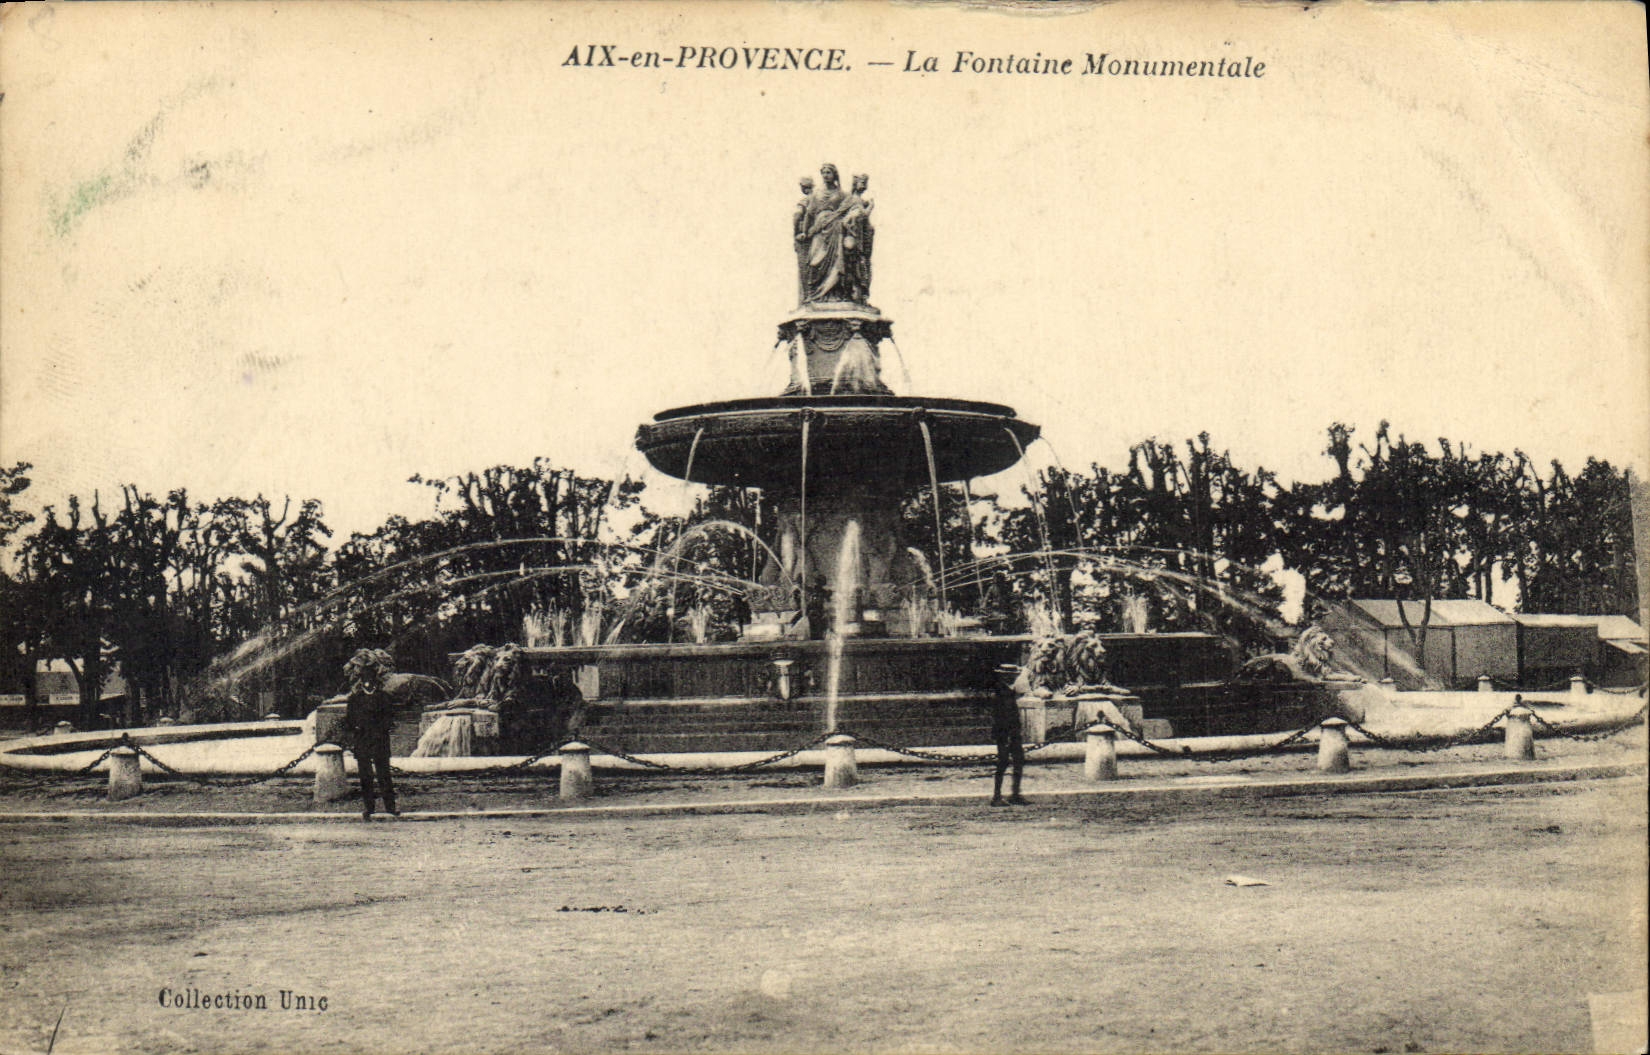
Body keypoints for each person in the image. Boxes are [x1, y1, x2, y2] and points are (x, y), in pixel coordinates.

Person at [343, 648, 399, 820]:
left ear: (375, 680)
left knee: (384, 776)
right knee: (365, 778)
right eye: (365, 679)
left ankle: (390, 807)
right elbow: (350, 721)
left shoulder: (384, 697)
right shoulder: (355, 699)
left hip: (379, 740)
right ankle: (369, 808)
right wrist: (355, 732)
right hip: (362, 741)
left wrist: (380, 729)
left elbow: (389, 719)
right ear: (361, 680)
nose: (368, 682)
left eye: (371, 678)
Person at [990, 663, 1028, 806]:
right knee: (1003, 763)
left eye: (1014, 675)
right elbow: (999, 716)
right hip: (1004, 733)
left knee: (1019, 762)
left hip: (1013, 732)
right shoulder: (999, 691)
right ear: (1003, 676)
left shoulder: (1009, 690)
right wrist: (1005, 735)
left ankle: (1015, 794)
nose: (1014, 677)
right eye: (1011, 676)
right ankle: (997, 796)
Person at [792, 176, 815, 304]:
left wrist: (797, 233)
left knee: (805, 268)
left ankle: (807, 296)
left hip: (805, 239)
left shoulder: (805, 201)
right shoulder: (819, 198)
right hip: (819, 236)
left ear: (804, 188)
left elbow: (797, 215)